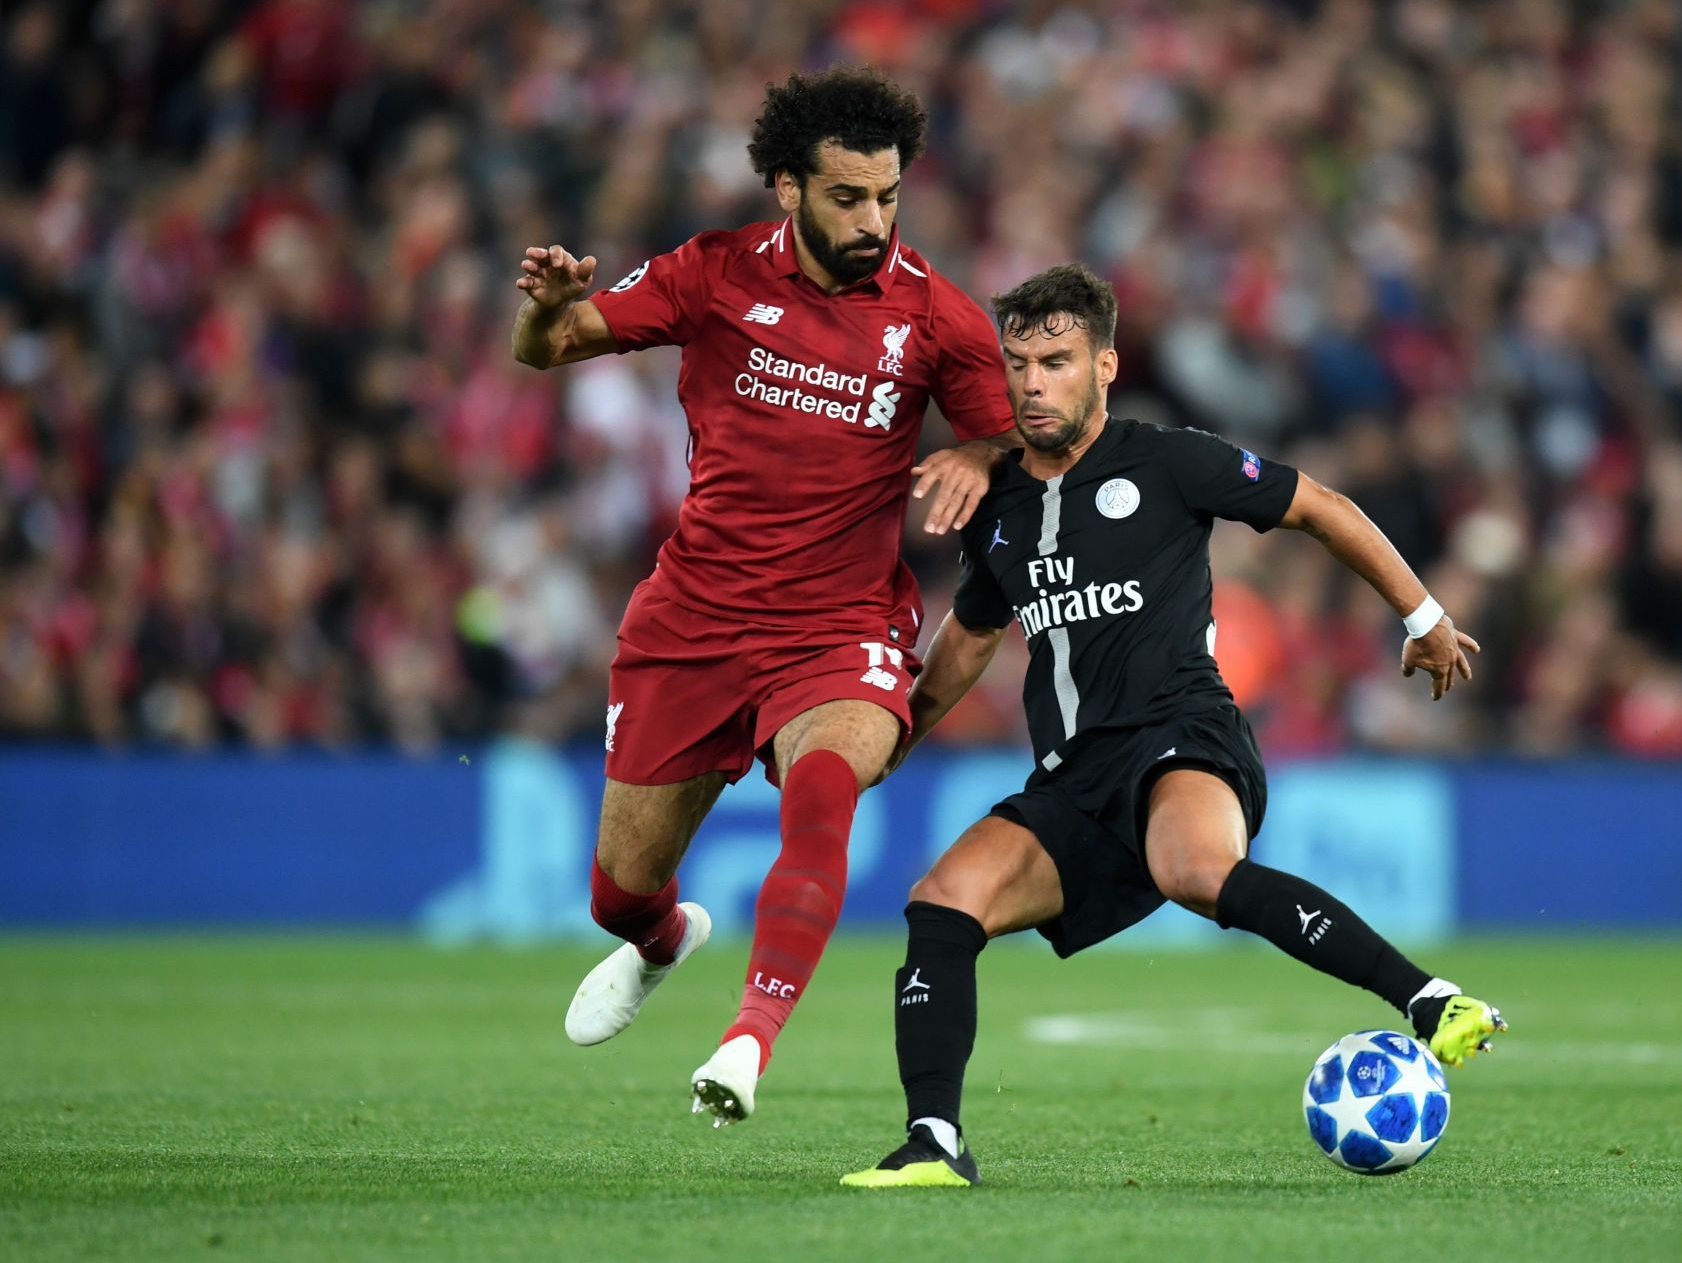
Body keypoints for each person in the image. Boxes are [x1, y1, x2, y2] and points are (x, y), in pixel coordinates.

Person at [840, 264, 1506, 1188]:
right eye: (1020, 362)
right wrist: (894, 736)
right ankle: (934, 1144)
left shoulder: (1168, 461)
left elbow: (1320, 506)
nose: (1034, 383)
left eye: (1058, 361)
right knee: (942, 902)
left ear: (1105, 366)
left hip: (1181, 734)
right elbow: (972, 636)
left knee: (1193, 872)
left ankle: (1427, 999)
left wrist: (1423, 616)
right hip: (1073, 783)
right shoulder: (998, 509)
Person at [510, 67, 1015, 1126]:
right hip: (693, 619)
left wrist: (977, 451)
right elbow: (552, 346)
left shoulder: (936, 317)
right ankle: (661, 939)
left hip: (840, 628)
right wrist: (547, 312)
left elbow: (1008, 430)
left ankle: (749, 1038)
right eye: (848, 198)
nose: (874, 221)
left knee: (822, 791)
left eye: (888, 197)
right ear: (788, 187)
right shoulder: (713, 273)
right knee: (617, 890)